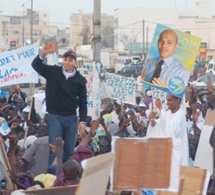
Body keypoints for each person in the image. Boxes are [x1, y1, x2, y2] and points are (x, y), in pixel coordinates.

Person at [31, 45, 87, 165]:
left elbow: (83, 102)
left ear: (75, 63)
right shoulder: (53, 72)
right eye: (65, 60)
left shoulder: (80, 80)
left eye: (70, 60)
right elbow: (35, 65)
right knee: (55, 150)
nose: (67, 62)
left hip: (71, 118)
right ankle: (53, 178)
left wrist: (82, 121)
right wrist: (42, 54)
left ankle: (65, 179)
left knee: (69, 151)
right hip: (55, 116)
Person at [147, 94, 189, 166]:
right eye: (167, 100)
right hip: (165, 153)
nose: (167, 103)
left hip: (176, 154)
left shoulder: (180, 115)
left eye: (169, 100)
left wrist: (160, 108)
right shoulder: (167, 113)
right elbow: (158, 125)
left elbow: (172, 130)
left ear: (178, 100)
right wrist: (152, 119)